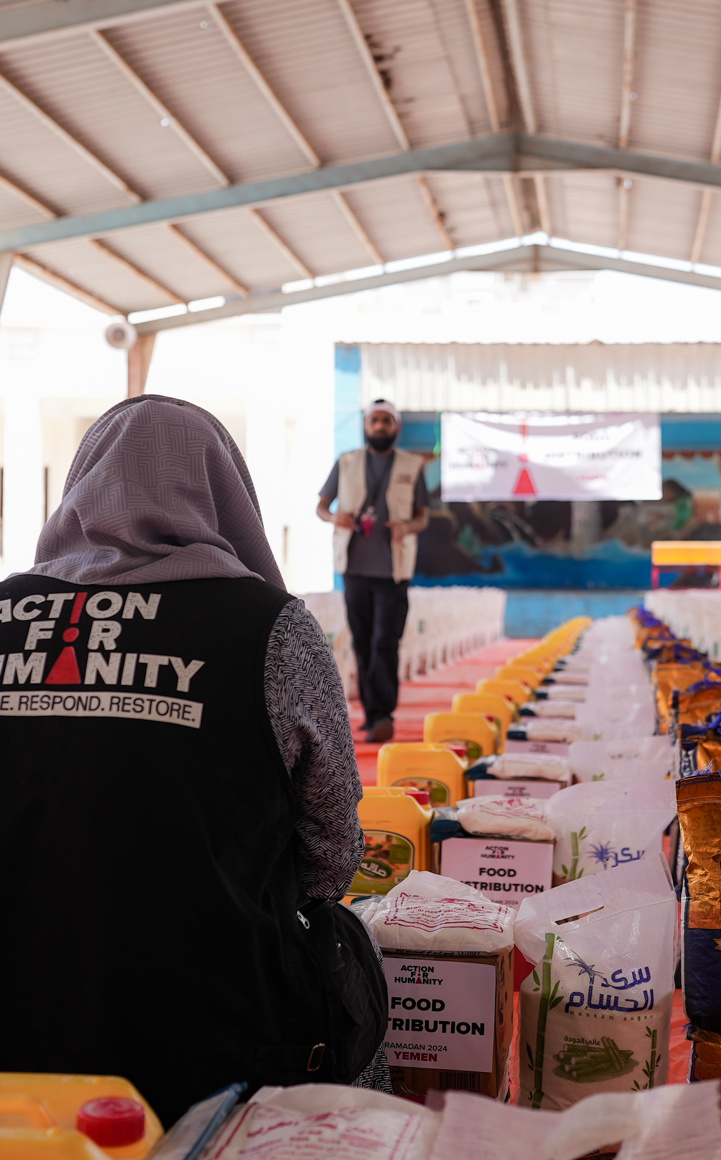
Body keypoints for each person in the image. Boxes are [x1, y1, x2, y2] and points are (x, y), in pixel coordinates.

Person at [0, 395, 388, 1125]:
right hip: (218, 1045)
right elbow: (333, 860)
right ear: (221, 489)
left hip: (19, 1037)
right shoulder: (272, 626)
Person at [317, 400, 429, 743]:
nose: (380, 426)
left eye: (387, 421)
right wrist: (337, 517)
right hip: (354, 568)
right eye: (375, 420)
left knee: (385, 641)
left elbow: (423, 517)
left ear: (396, 427)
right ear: (366, 425)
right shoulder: (347, 462)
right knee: (363, 642)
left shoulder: (412, 465)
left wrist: (406, 527)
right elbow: (322, 507)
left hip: (393, 570)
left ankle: (383, 714)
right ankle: (370, 713)